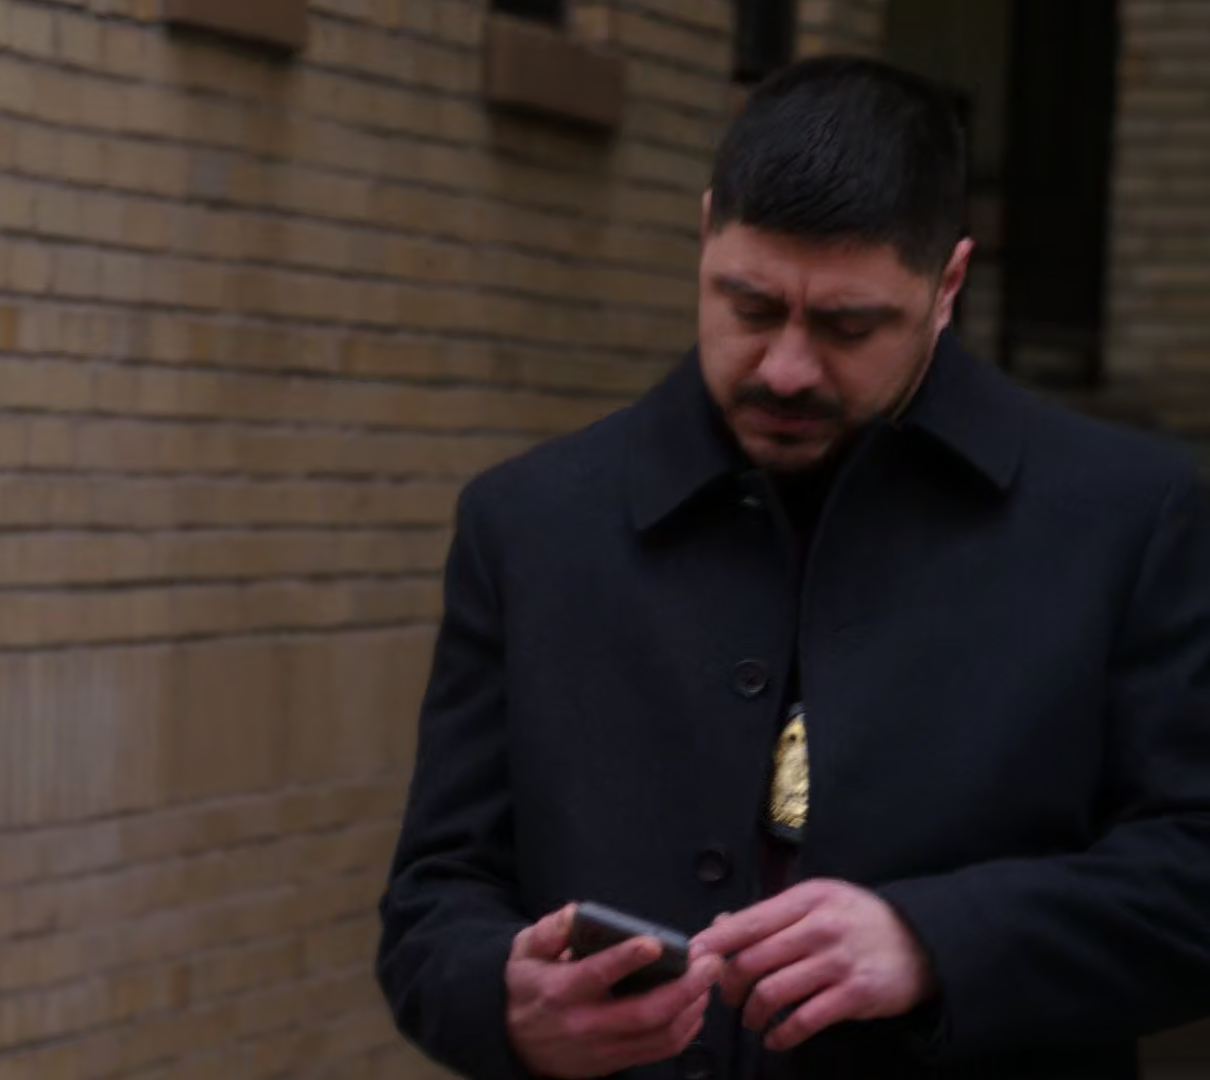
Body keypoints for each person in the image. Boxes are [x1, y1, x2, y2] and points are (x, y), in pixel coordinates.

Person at [375, 55, 1210, 1080]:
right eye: (750, 305)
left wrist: (934, 943)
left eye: (849, 326)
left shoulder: (1131, 517)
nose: (785, 368)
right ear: (705, 235)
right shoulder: (527, 522)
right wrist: (504, 1000)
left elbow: (1194, 878)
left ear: (947, 285)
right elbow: (434, 901)